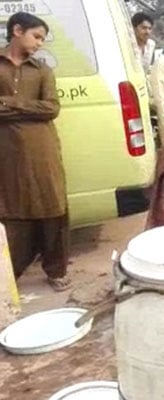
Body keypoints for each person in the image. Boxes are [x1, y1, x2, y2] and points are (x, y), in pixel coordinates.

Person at [0, 12, 70, 291]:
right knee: (12, 209)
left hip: (43, 151)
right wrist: (29, 108)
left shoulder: (42, 70)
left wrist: (8, 104)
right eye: (36, 36)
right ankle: (10, 274)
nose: (40, 43)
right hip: (7, 152)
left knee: (52, 205)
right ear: (17, 30)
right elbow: (39, 108)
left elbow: (51, 108)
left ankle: (56, 269)